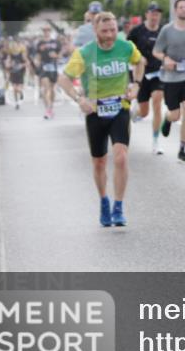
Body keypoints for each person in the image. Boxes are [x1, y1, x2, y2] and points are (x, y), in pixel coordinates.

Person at [58, 12, 144, 226]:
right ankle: (104, 201)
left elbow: (140, 62)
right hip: (95, 112)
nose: (110, 35)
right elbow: (64, 79)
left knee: (121, 157)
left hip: (120, 108)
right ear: (95, 31)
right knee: (99, 162)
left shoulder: (126, 47)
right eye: (105, 31)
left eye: (113, 30)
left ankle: (118, 206)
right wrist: (79, 99)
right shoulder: (84, 53)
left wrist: (136, 85)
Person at [153, 0, 185, 164]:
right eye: (181, 7)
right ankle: (168, 118)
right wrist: (165, 59)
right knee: (176, 115)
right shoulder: (167, 30)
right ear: (175, 10)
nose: (184, 9)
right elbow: (156, 51)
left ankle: (182, 149)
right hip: (171, 77)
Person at [128, 2, 166, 154]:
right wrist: (137, 59)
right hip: (141, 74)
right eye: (152, 13)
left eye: (157, 14)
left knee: (157, 101)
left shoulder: (164, 31)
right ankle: (135, 114)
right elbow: (126, 49)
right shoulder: (137, 31)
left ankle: (156, 141)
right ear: (146, 14)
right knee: (144, 112)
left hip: (159, 73)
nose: (155, 16)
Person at [35, 26, 63, 119]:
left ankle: (51, 108)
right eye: (44, 30)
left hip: (53, 67)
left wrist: (56, 56)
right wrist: (37, 63)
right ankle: (47, 110)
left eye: (47, 30)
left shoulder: (56, 42)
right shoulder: (40, 43)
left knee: (52, 89)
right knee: (46, 89)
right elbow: (38, 55)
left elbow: (60, 55)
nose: (46, 32)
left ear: (50, 31)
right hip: (44, 67)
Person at [5, 38, 30, 109]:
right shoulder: (10, 54)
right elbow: (7, 63)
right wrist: (9, 65)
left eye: (15, 45)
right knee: (14, 89)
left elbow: (28, 63)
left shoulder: (22, 54)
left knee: (18, 88)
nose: (14, 47)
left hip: (20, 72)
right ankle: (16, 102)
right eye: (13, 45)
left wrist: (22, 65)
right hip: (13, 72)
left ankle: (21, 93)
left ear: (18, 46)